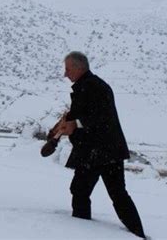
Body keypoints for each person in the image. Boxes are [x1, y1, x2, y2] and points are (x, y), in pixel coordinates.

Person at [55, 51, 145, 238]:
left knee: (95, 192)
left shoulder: (94, 87)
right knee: (103, 192)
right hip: (103, 151)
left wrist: (75, 123)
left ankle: (133, 233)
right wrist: (62, 126)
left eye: (68, 69)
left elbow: (101, 118)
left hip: (99, 151)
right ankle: (135, 233)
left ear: (79, 68)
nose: (65, 74)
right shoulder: (88, 86)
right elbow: (83, 115)